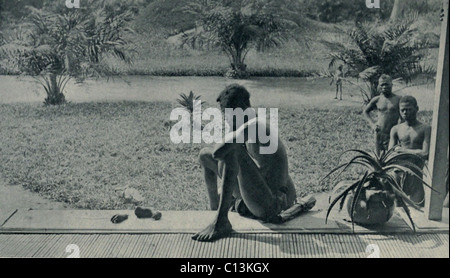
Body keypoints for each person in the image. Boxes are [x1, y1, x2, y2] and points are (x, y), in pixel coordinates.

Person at [193, 84, 297, 242]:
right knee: (204, 156)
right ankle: (214, 211)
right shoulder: (244, 128)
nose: (226, 120)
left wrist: (231, 135)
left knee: (231, 150)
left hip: (274, 205)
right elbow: (215, 156)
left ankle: (221, 221)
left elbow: (219, 152)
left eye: (227, 115)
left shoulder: (255, 126)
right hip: (259, 196)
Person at [388, 95, 431, 206]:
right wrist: (414, 152)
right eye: (402, 110)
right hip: (398, 173)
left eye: (409, 109)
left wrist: (402, 150)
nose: (405, 112)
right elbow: (390, 154)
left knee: (418, 208)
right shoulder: (396, 129)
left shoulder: (425, 128)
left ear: (416, 109)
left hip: (416, 175)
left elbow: (425, 153)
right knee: (398, 210)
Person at [363, 74, 402, 156]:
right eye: (382, 84)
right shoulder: (377, 100)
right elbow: (365, 112)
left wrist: (399, 128)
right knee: (378, 157)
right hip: (379, 133)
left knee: (391, 156)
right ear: (379, 86)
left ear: (392, 84)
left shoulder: (398, 99)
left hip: (393, 133)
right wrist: (372, 124)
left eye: (386, 84)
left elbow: (403, 116)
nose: (384, 87)